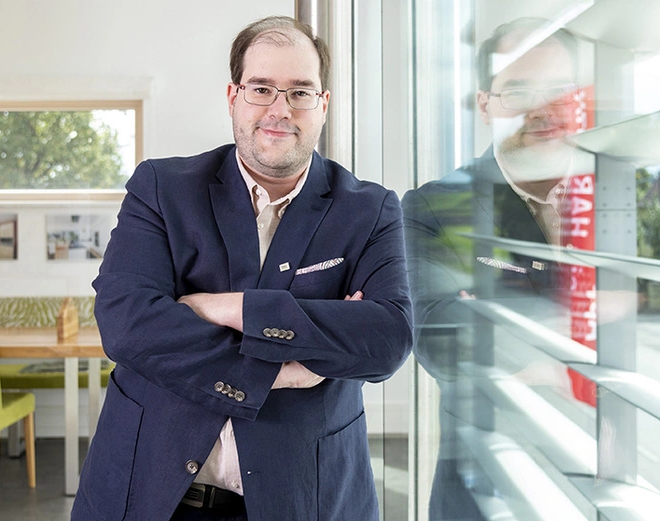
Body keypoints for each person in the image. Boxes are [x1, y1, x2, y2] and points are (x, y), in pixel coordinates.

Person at [72, 16, 413, 521]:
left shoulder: (370, 210)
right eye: (261, 88)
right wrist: (284, 371)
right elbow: (126, 324)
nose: (280, 109)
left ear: (322, 105)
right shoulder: (163, 189)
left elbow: (386, 339)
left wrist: (227, 308)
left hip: (305, 499)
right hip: (150, 493)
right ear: (233, 96)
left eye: (300, 92)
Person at [402, 18, 582, 521]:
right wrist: (586, 343)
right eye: (518, 91)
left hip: (617, 478)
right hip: (489, 487)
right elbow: (440, 333)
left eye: (559, 90)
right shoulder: (437, 207)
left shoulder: (631, 200)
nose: (542, 108)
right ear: (485, 105)